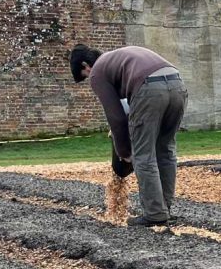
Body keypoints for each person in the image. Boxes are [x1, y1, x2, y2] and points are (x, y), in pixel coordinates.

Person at [70, 44, 188, 226]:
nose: (89, 79)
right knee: (165, 151)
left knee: (143, 155)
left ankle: (155, 214)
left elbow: (116, 117)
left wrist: (124, 152)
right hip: (177, 84)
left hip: (150, 89)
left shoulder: (97, 72)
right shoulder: (117, 58)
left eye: (85, 75)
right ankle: (164, 208)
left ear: (86, 66)